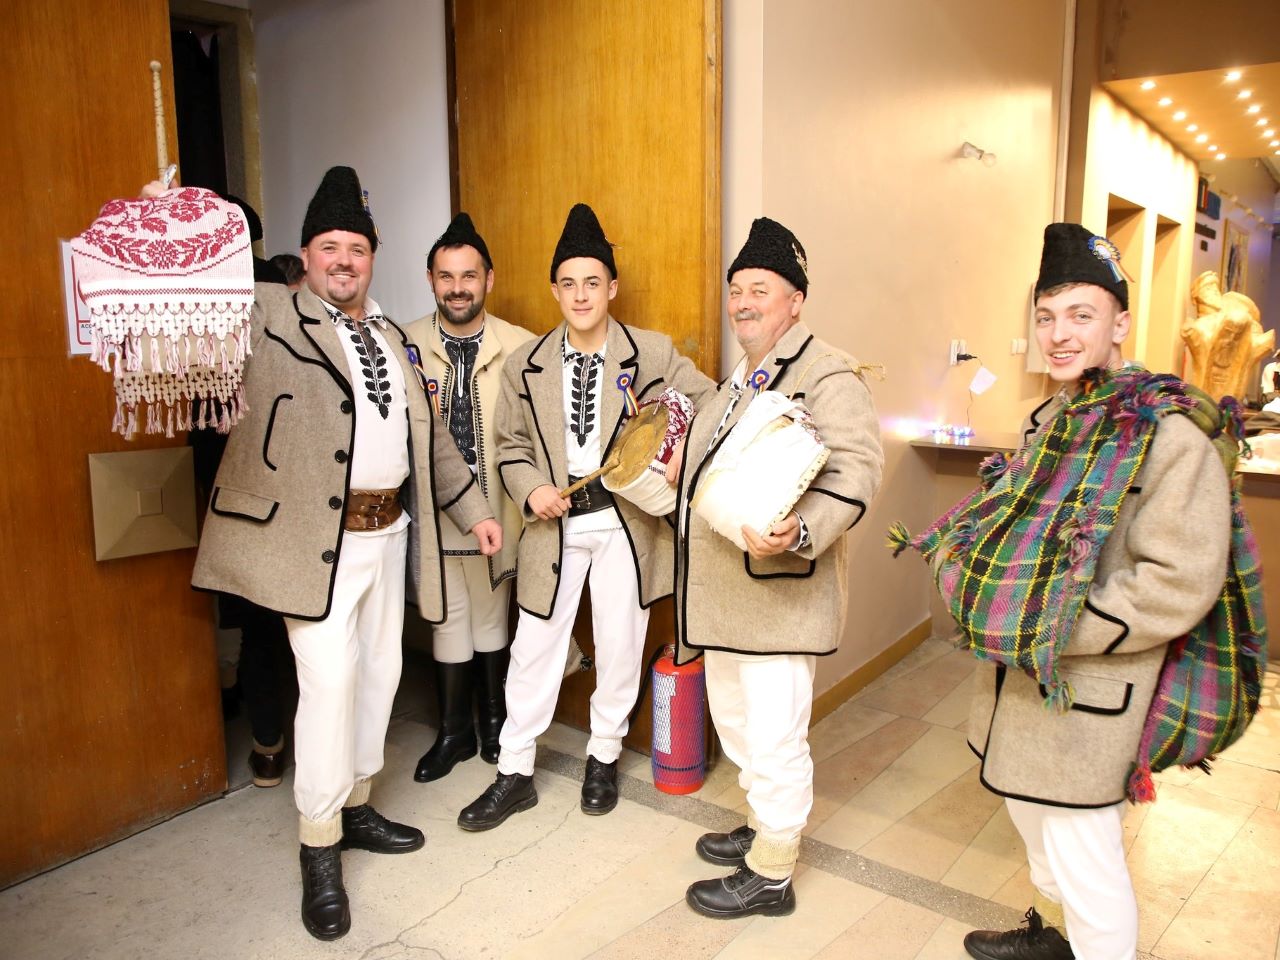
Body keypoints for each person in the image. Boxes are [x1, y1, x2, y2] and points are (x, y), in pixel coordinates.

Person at [894, 224, 1237, 960]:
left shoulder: (1168, 435)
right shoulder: (1051, 420)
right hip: (1021, 681)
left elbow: (1178, 582)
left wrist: (1050, 623)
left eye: (1081, 315)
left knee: (1087, 859)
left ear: (1120, 323)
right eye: (1046, 317)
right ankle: (1056, 940)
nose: (1058, 334)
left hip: (1091, 686)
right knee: (1031, 821)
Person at [189, 166, 502, 941]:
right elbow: (198, 302)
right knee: (328, 686)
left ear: (373, 258)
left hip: (388, 538)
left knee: (381, 676)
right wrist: (183, 229)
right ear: (306, 255)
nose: (344, 260)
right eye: (329, 247)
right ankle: (319, 844)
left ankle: (357, 805)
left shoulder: (393, 338)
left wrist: (474, 512)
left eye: (357, 249)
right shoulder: (267, 313)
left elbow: (431, 444)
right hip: (314, 547)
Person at [456, 203, 714, 830]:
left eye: (592, 282)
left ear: (612, 287)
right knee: (535, 645)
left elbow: (709, 400)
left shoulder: (650, 351)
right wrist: (531, 490)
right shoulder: (526, 363)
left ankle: (603, 755)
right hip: (555, 527)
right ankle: (515, 769)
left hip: (626, 524)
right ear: (554, 290)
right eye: (568, 283)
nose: (580, 295)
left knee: (622, 642)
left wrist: (681, 443)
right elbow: (509, 446)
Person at [672, 217, 883, 919]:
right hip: (725, 596)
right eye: (736, 290)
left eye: (759, 290)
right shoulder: (737, 380)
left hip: (779, 593)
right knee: (737, 723)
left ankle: (772, 872)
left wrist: (803, 531)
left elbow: (858, 466)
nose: (742, 303)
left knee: (774, 733)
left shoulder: (827, 372)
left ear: (796, 300)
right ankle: (764, 822)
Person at [402, 213, 534, 782]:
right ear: (431, 280)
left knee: (491, 611)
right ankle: (454, 731)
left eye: (469, 276)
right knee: (447, 614)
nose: (458, 288)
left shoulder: (521, 347)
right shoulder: (404, 343)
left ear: (489, 280)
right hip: (433, 511)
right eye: (446, 276)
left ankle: (495, 724)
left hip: (497, 507)